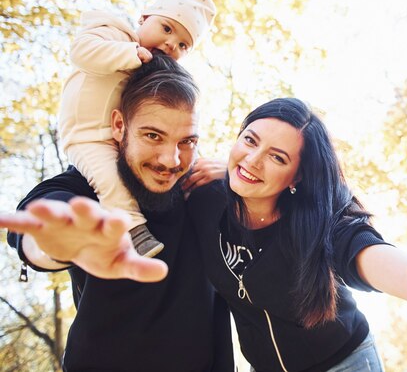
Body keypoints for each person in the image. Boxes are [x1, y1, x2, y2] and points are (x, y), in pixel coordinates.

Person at [186, 97, 407, 372]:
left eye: (277, 157)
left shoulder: (323, 224)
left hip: (343, 362)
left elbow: (373, 255)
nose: (253, 160)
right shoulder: (205, 201)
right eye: (250, 140)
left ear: (297, 175)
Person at [3, 55, 234, 372]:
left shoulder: (207, 192)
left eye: (187, 141)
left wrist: (243, 179)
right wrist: (55, 244)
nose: (170, 159)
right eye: (153, 136)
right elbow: (42, 224)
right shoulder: (85, 187)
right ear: (118, 125)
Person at [58, 0, 216, 257]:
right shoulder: (115, 35)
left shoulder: (156, 75)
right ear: (143, 17)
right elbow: (81, 51)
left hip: (122, 138)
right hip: (85, 136)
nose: (170, 44)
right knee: (109, 179)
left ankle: (191, 193)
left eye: (182, 45)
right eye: (166, 28)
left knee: (174, 160)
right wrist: (131, 54)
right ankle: (134, 231)